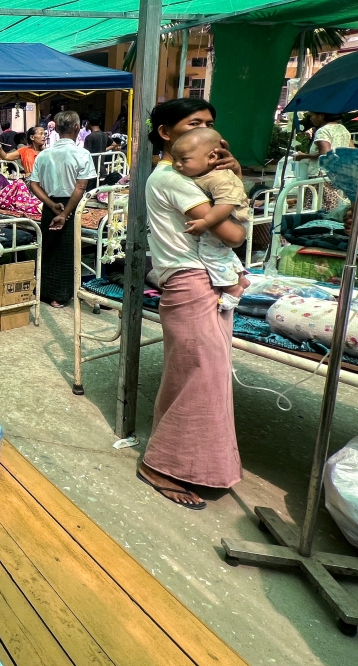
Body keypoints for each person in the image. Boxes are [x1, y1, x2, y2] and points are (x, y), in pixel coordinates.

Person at [139, 97, 245, 510]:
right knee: (201, 376)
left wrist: (228, 181)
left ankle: (189, 462)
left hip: (198, 281)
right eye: (193, 124)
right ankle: (161, 465)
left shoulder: (191, 180)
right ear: (166, 133)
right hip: (192, 281)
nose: (208, 136)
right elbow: (233, 235)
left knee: (194, 375)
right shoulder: (173, 180)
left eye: (209, 126)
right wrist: (230, 196)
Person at [171, 128, 251, 311]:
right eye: (175, 159)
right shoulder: (206, 173)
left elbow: (227, 202)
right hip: (227, 217)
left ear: (212, 157)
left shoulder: (218, 177)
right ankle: (240, 277)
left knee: (210, 254)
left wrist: (206, 222)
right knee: (222, 252)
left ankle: (232, 289)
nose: (177, 165)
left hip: (231, 217)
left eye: (184, 160)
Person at [29, 111, 97, 308]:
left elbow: (33, 184)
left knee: (48, 248)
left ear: (56, 129)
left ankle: (43, 291)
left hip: (51, 206)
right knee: (67, 251)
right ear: (77, 127)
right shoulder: (82, 154)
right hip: (71, 205)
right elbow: (80, 187)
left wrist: (51, 205)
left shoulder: (44, 154)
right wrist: (65, 213)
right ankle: (60, 294)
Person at [294, 111, 355, 208]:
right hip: (338, 174)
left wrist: (303, 156)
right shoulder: (342, 129)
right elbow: (351, 150)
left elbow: (325, 153)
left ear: (321, 116)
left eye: (312, 116)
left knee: (316, 209)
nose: (311, 119)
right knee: (334, 207)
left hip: (321, 174)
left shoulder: (322, 131)